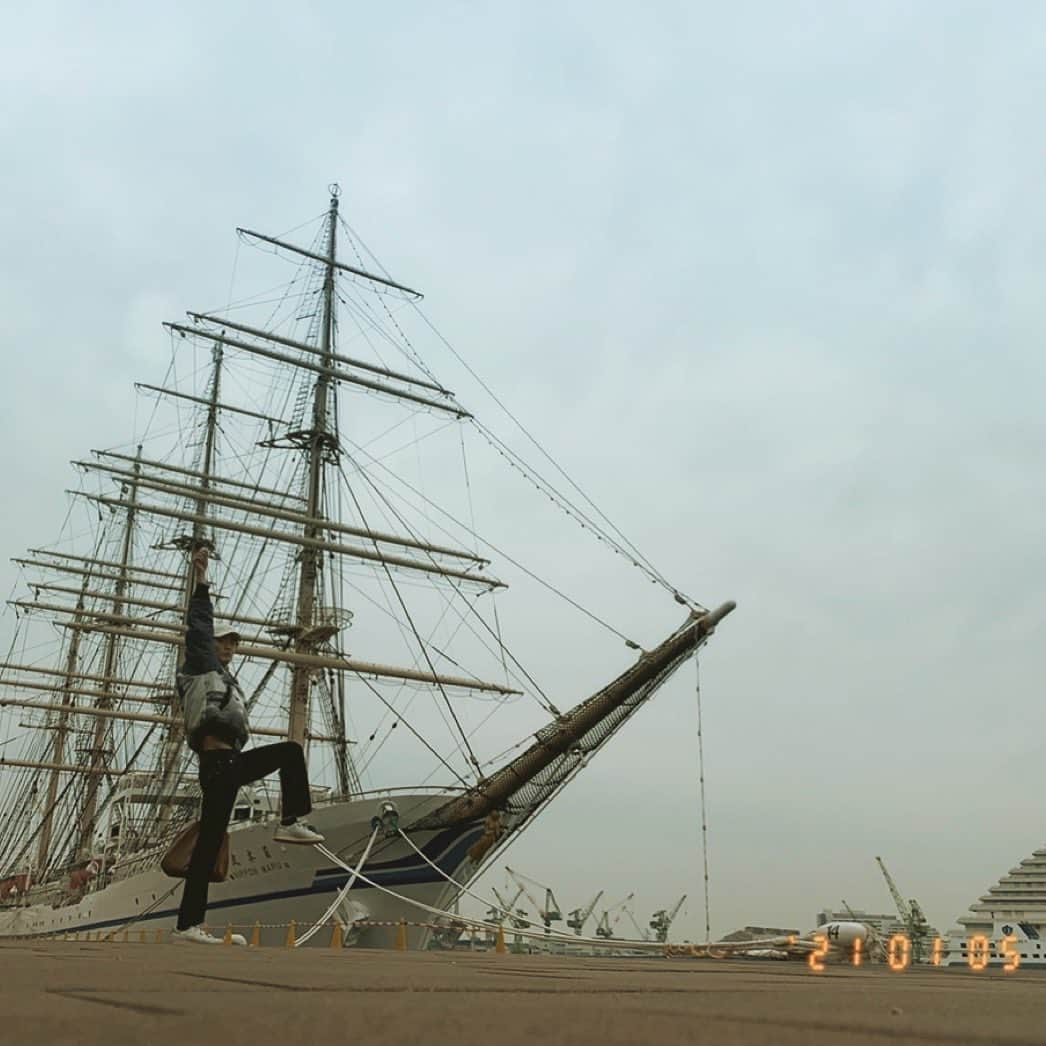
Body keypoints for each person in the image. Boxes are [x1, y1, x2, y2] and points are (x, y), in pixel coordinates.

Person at [172, 545, 325, 946]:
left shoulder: (224, 679)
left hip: (224, 765)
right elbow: (200, 626)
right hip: (218, 763)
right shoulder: (199, 665)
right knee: (290, 752)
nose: (229, 649)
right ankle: (291, 821)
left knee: (207, 849)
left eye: (234, 646)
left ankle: (189, 925)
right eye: (224, 643)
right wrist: (202, 579)